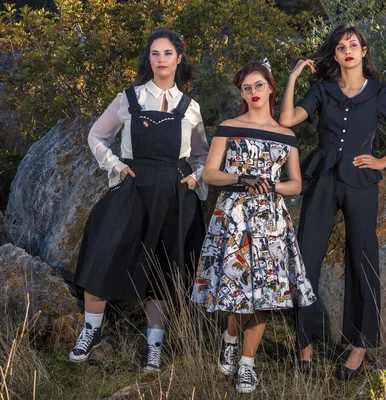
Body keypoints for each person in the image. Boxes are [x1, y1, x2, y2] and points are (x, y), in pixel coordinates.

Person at [279, 24, 386, 379]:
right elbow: (286, 120)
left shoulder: (379, 92)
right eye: (341, 46)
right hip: (324, 178)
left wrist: (382, 161)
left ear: (363, 51)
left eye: (354, 45)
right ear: (334, 55)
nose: (347, 50)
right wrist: (294, 76)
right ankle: (304, 344)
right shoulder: (322, 89)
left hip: (361, 181)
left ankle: (360, 345)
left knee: (363, 257)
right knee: (306, 256)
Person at [70, 28, 208, 372]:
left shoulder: (191, 108)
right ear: (149, 59)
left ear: (179, 58)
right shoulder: (128, 99)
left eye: (167, 53)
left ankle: (154, 348)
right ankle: (92, 332)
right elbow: (96, 135)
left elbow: (205, 154)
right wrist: (115, 164)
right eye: (154, 53)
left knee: (162, 269)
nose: (161, 59)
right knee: (101, 254)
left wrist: (196, 175)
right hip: (132, 189)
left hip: (175, 196)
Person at [191, 59, 316, 393]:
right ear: (241, 93)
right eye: (246, 87)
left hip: (271, 221)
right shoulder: (229, 126)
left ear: (270, 88)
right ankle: (230, 336)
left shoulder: (286, 134)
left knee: (265, 293)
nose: (253, 92)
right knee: (237, 291)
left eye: (259, 84)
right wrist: (242, 178)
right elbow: (210, 174)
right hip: (234, 216)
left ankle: (247, 364)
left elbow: (295, 185)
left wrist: (270, 186)